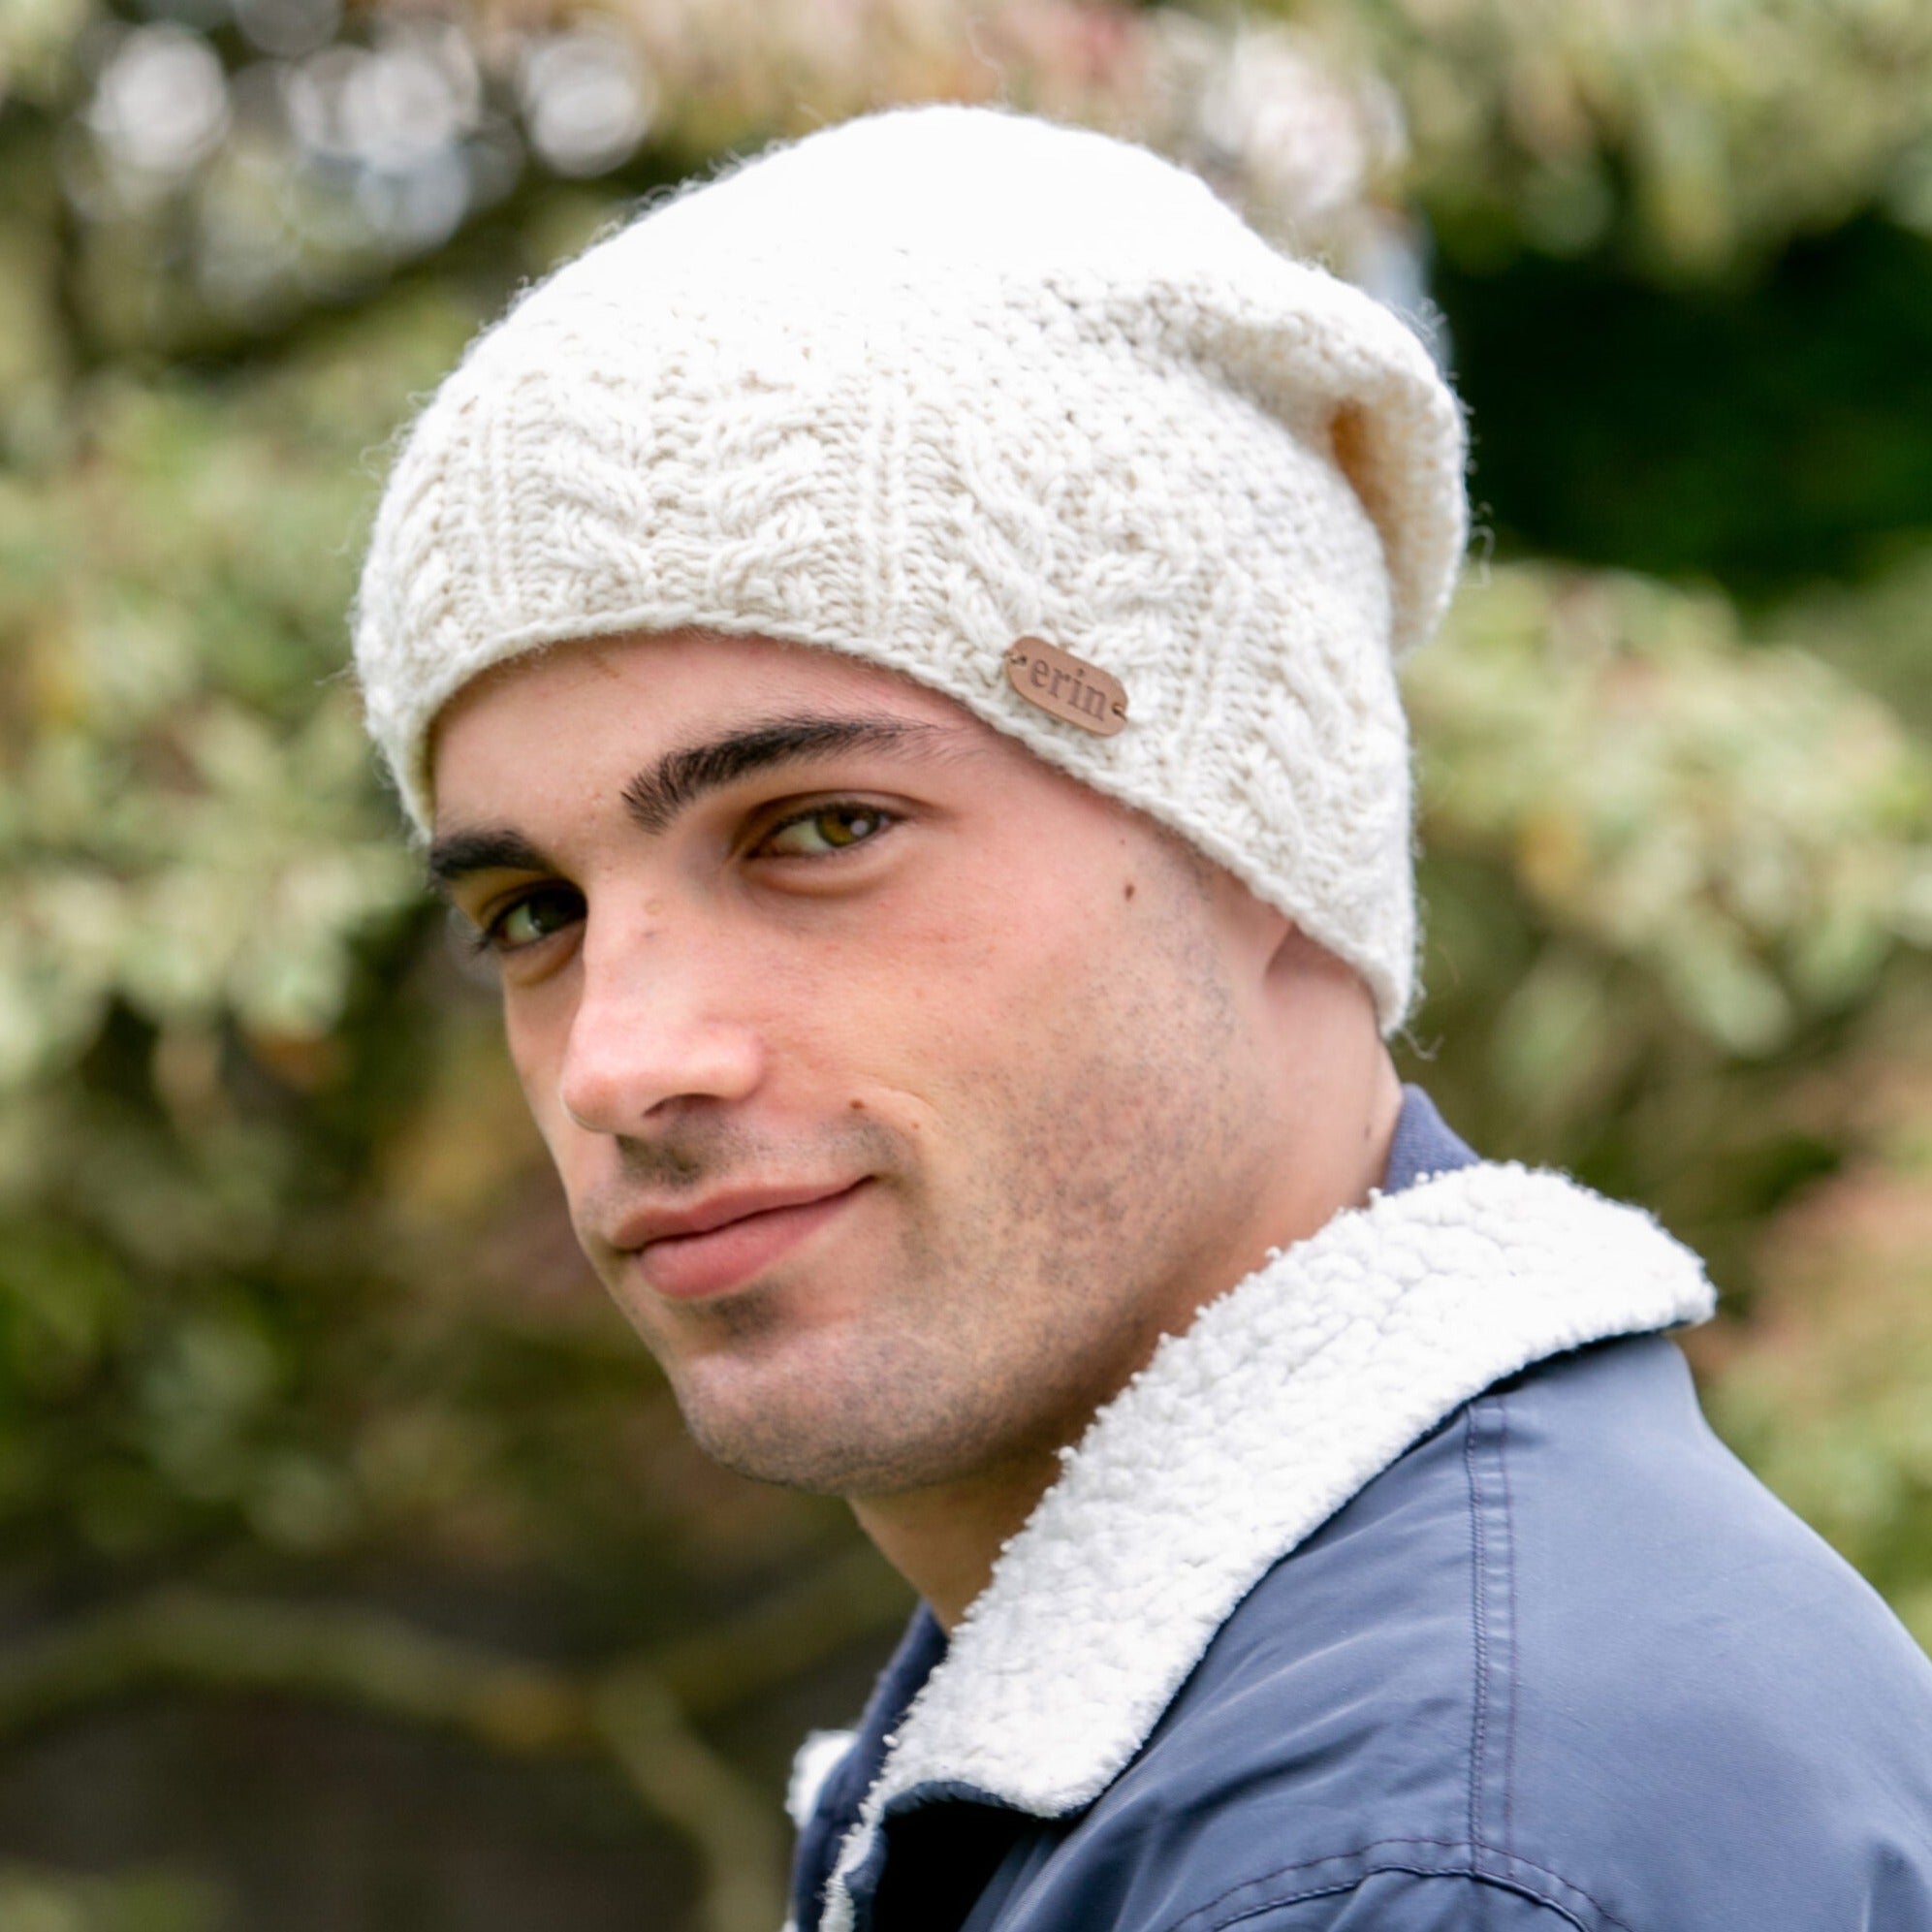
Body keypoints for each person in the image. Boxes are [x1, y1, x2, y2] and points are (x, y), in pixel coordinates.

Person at [352, 107, 1932, 1932]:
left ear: (1253, 819)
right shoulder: (1233, 1751)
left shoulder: (1419, 1860)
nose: (622, 1060)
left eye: (818, 830)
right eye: (529, 912)